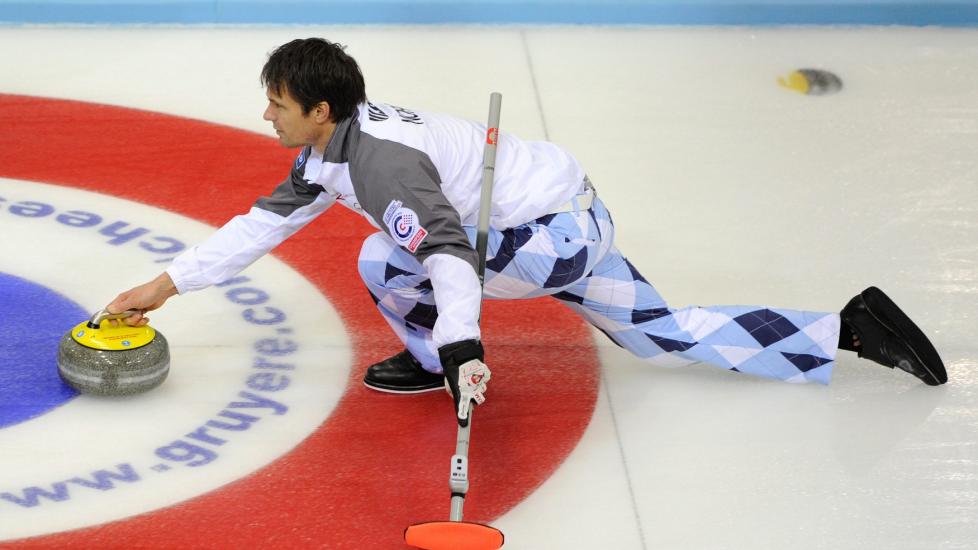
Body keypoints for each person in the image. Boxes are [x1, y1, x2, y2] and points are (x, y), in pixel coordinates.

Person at [107, 38, 947, 426]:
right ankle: (847, 330)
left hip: (549, 238)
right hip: (573, 213)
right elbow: (260, 225)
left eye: (278, 105)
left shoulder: (383, 168)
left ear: (320, 111)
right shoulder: (332, 151)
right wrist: (165, 285)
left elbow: (445, 256)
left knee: (387, 258)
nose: (266, 115)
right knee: (655, 337)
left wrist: (464, 346)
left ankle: (442, 355)